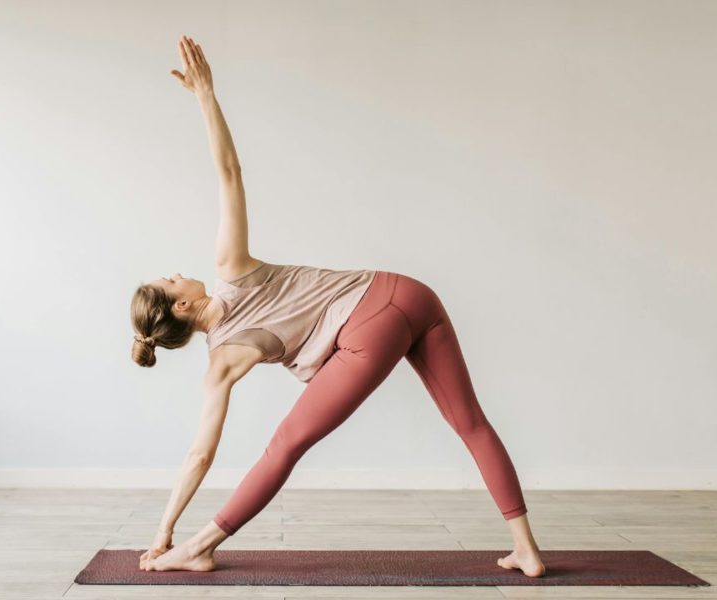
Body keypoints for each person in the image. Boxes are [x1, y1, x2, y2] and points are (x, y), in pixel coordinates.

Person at [131, 35, 545, 578]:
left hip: (369, 329)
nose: (176, 271)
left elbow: (199, 456)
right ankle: (527, 549)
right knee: (470, 422)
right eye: (170, 280)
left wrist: (163, 530)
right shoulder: (230, 269)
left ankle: (199, 546)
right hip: (409, 292)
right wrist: (206, 95)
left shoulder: (222, 360)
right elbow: (230, 173)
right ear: (182, 305)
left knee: (285, 444)